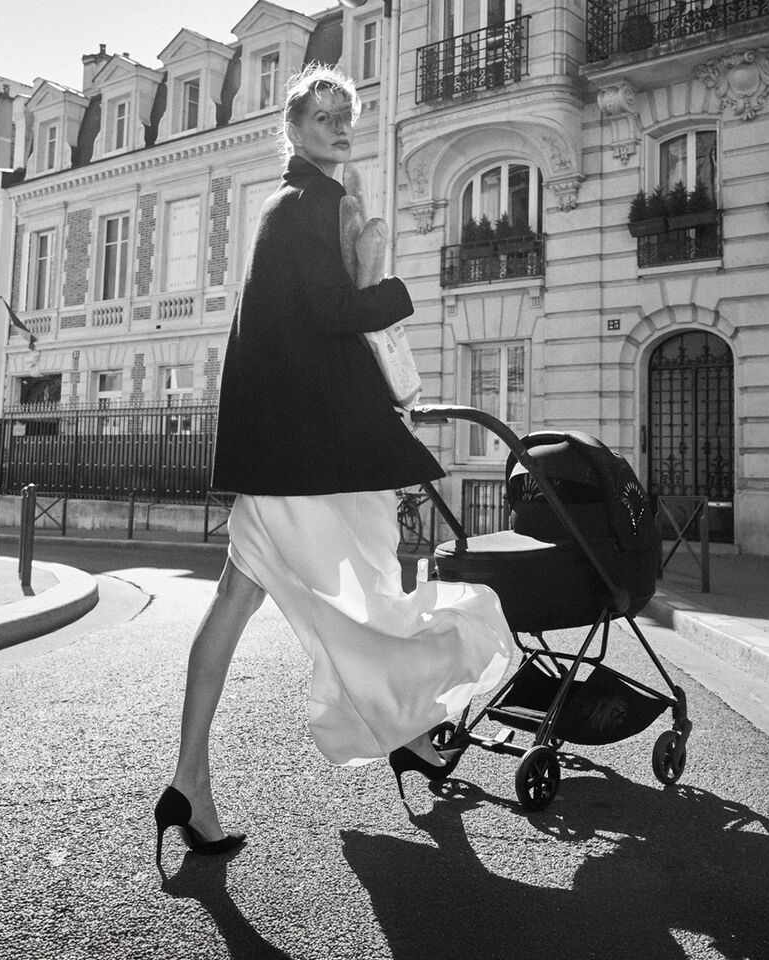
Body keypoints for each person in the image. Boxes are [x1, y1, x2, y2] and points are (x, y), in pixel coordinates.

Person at [155, 65, 513, 870]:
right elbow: (332, 315)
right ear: (293, 128)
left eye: (345, 115)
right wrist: (389, 280)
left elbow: (299, 326)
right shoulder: (305, 205)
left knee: (234, 604)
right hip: (306, 458)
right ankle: (407, 731)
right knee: (366, 596)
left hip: (283, 449)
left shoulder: (294, 207)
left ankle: (189, 785)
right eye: (321, 118)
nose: (338, 128)